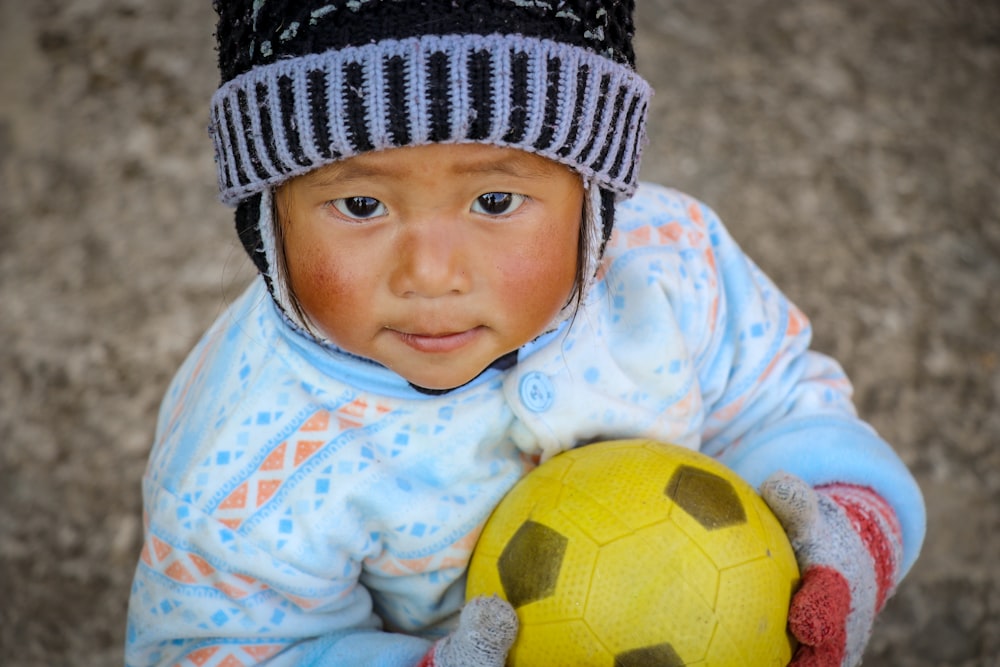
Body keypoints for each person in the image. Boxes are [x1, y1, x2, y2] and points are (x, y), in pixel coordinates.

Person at [125, 1, 926, 666]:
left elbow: (779, 402)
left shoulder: (669, 263)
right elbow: (214, 646)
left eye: (497, 201)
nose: (432, 273)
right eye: (362, 205)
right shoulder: (242, 473)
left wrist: (842, 533)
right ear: (266, 222)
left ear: (593, 196)